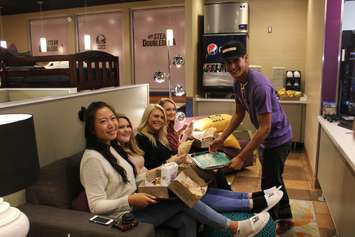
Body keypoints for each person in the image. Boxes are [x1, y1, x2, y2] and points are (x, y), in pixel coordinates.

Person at [79, 101, 270, 237]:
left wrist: (154, 180)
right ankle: (234, 227)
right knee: (181, 198)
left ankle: (249, 201)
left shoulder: (113, 149)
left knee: (185, 217)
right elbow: (96, 206)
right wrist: (130, 198)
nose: (111, 124)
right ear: (92, 129)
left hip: (138, 203)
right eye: (103, 121)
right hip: (123, 217)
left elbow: (133, 180)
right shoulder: (92, 160)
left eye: (112, 118)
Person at [135, 103, 283, 213]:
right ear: (147, 116)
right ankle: (252, 204)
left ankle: (252, 196)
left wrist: (181, 152)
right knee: (199, 191)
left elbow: (172, 153)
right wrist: (175, 159)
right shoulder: (141, 138)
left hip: (174, 173)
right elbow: (153, 167)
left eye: (162, 117)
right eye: (156, 116)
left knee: (210, 173)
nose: (160, 120)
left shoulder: (160, 136)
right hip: (163, 182)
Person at [209, 41, 293, 232]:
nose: (232, 67)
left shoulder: (260, 86)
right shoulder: (238, 83)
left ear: (246, 59)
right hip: (266, 139)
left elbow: (265, 128)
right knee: (275, 178)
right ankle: (286, 216)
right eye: (227, 63)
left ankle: (269, 225)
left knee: (269, 184)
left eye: (236, 61)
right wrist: (222, 137)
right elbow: (238, 114)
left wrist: (240, 157)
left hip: (278, 139)